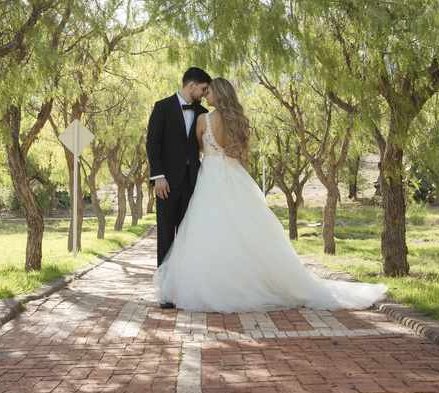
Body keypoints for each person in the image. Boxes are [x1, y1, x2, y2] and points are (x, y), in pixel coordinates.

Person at [154, 77, 388, 313]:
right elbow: (244, 163)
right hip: (235, 178)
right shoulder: (238, 122)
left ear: (219, 94)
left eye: (210, 91)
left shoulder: (202, 120)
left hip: (210, 178)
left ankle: (219, 286)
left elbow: (197, 150)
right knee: (242, 233)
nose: (206, 96)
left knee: (209, 233)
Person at [146, 66, 212, 308]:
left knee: (188, 238)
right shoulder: (162, 107)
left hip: (194, 183)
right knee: (166, 237)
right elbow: (152, 144)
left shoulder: (203, 113)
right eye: (203, 89)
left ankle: (185, 290)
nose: (205, 94)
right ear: (191, 85)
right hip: (166, 184)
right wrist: (158, 176)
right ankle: (165, 292)